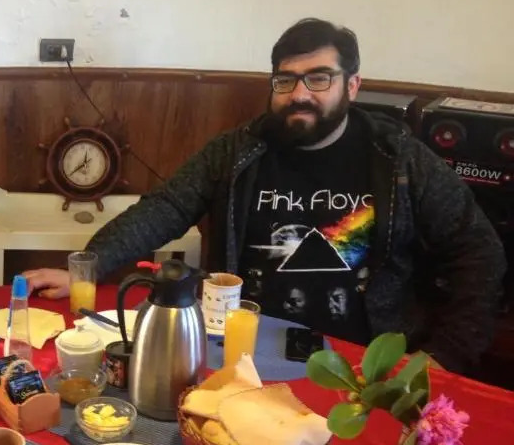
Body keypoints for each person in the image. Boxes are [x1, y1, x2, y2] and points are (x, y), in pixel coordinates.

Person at [25, 19, 506, 373]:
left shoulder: (399, 157)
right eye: (285, 80)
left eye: (319, 78)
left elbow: (478, 251)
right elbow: (165, 207)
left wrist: (443, 357)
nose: (300, 94)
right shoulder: (238, 149)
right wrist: (87, 267)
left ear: (352, 85)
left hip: (367, 360)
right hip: (243, 351)